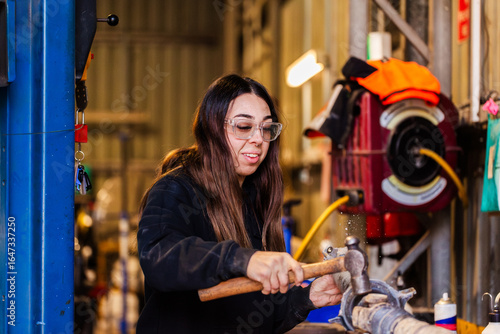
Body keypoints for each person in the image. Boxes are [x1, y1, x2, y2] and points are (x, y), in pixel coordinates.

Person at [136, 74, 342, 333]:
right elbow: (159, 257)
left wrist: (309, 298)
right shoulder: (176, 188)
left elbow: (254, 315)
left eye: (266, 128)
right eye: (244, 127)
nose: (258, 139)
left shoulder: (253, 200)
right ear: (212, 128)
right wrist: (243, 259)